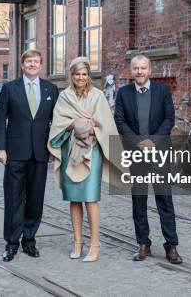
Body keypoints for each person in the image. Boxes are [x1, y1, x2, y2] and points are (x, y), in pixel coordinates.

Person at [114, 54, 182, 264]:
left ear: (150, 70)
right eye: (136, 68)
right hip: (136, 154)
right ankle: (143, 243)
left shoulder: (162, 91)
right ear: (131, 71)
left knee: (164, 199)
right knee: (139, 199)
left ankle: (171, 246)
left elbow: (169, 118)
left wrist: (152, 141)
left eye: (143, 68)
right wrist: (138, 143)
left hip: (159, 151)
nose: (140, 72)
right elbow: (120, 120)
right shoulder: (124, 93)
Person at [48, 57, 118, 262]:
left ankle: (94, 244)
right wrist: (75, 123)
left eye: (84, 74)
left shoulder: (97, 96)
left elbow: (106, 122)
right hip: (71, 151)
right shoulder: (64, 97)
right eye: (77, 74)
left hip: (92, 150)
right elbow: (58, 123)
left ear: (89, 76)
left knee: (90, 197)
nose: (81, 77)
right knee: (74, 198)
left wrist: (92, 123)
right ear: (72, 75)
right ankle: (77, 242)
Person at [0, 49, 59, 262]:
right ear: (22, 65)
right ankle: (11, 243)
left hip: (40, 153)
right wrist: (0, 148)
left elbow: (55, 123)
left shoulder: (51, 89)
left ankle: (29, 240)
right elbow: (0, 121)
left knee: (35, 199)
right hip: (15, 152)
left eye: (36, 61)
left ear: (41, 65)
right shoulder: (9, 88)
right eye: (28, 61)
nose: (32, 65)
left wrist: (53, 149)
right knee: (13, 198)